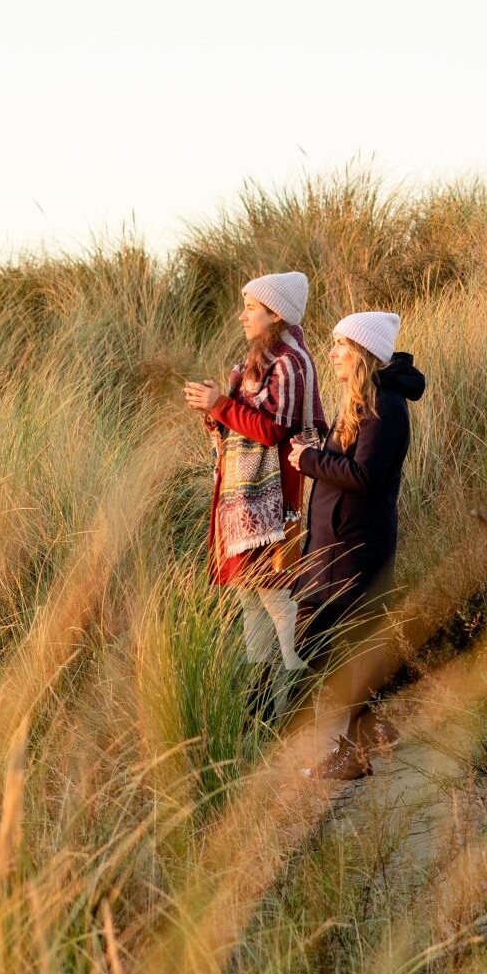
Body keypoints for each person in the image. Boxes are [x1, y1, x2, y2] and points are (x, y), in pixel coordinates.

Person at [287, 310, 425, 781]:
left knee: (343, 645)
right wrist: (318, 454)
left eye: (339, 345)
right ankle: (372, 729)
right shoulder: (361, 402)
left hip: (356, 550)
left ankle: (354, 750)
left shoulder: (385, 406)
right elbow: (344, 467)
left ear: (361, 352)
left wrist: (309, 460)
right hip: (333, 549)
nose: (331, 353)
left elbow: (365, 477)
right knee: (324, 641)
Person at [182, 272, 324, 710]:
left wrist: (220, 406)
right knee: (252, 601)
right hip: (247, 505)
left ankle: (297, 700)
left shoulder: (290, 363)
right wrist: (215, 410)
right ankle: (263, 707)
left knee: (277, 599)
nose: (241, 315)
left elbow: (272, 429)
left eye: (251, 308)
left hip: (275, 502)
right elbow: (242, 421)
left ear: (275, 314)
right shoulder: (254, 363)